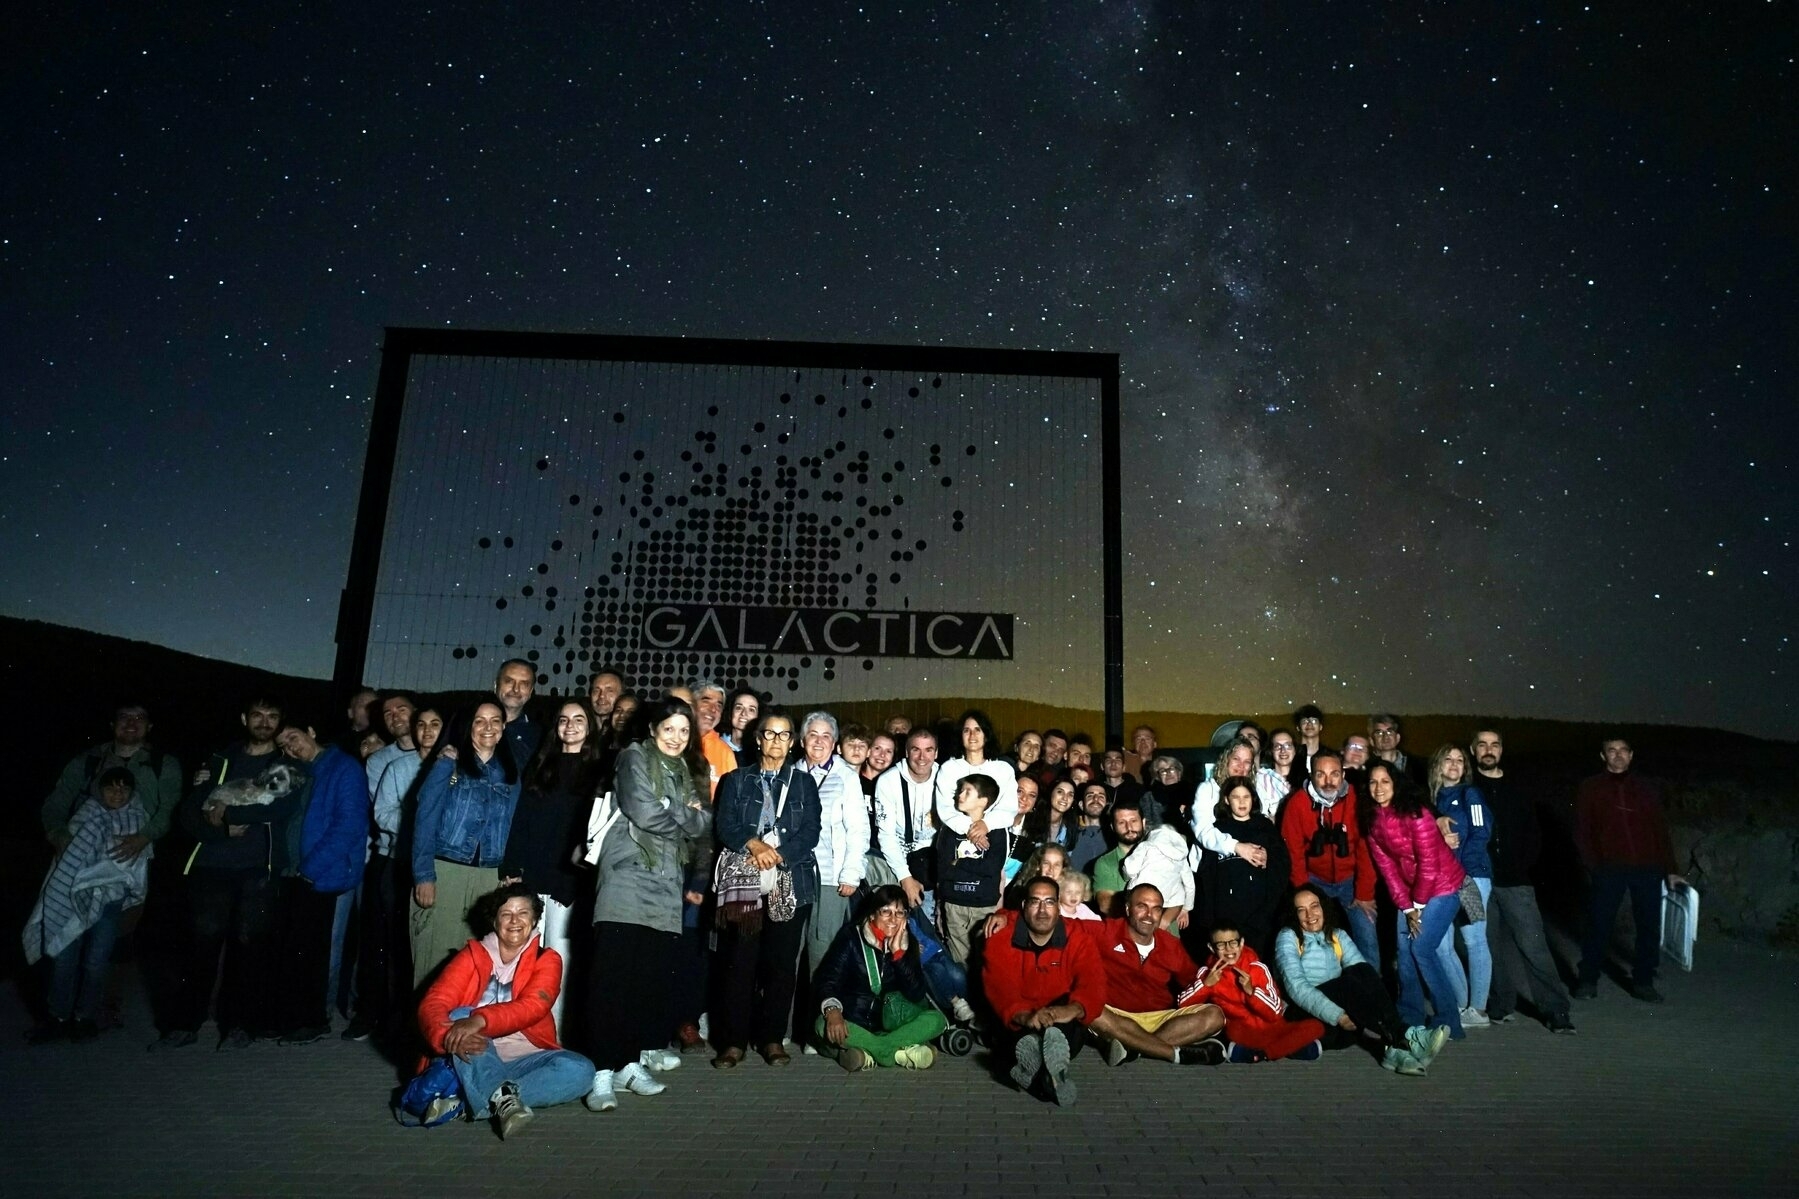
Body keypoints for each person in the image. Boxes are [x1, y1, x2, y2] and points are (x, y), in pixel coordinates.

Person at [584, 697, 712, 1108]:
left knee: (646, 978)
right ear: (654, 728)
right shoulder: (633, 756)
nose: (676, 737)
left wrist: (673, 810)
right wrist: (680, 813)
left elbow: (703, 823)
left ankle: (627, 1063)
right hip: (627, 875)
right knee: (613, 977)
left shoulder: (686, 771)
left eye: (684, 730)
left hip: (665, 882)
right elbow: (642, 811)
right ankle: (600, 1073)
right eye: (669, 728)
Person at [158, 696, 296, 1050]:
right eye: (257, 714)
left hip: (258, 868)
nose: (264, 721)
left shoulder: (286, 763)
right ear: (243, 717)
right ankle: (184, 1023)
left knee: (249, 947)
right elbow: (189, 812)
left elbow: (282, 808)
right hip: (211, 865)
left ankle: (239, 1025)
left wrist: (230, 816)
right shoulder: (220, 759)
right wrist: (218, 830)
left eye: (272, 715)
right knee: (200, 943)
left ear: (280, 722)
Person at [417, 885, 596, 1139]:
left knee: (581, 1070)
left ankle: (469, 1103)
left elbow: (534, 1006)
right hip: (476, 1058)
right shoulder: (471, 955)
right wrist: (446, 1036)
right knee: (459, 1017)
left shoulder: (546, 959)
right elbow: (433, 1003)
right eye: (506, 914)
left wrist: (480, 1019)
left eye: (523, 913)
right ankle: (499, 1099)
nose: (514, 921)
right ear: (494, 920)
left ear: (534, 920)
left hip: (525, 1059)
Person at [710, 709, 820, 1069]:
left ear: (792, 742)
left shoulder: (804, 784)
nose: (775, 741)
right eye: (768, 734)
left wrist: (779, 855)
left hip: (791, 883)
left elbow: (810, 832)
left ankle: (772, 1038)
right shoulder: (735, 780)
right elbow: (725, 825)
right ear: (758, 740)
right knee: (739, 964)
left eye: (783, 735)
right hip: (744, 882)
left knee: (780, 965)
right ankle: (732, 1042)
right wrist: (754, 846)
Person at [24, 767, 152, 1043]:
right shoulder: (85, 815)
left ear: (131, 792)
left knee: (96, 960)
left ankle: (85, 1017)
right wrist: (83, 877)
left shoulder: (139, 820)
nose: (117, 794)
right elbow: (67, 860)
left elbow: (137, 863)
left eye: (123, 789)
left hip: (111, 898)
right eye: (111, 788)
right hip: (71, 896)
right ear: (99, 790)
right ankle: (57, 1017)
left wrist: (111, 874)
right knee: (64, 959)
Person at [501, 699, 603, 1030]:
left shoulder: (600, 771)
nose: (570, 726)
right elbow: (523, 820)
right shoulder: (541, 764)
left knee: (559, 959)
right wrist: (512, 870)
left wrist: (576, 878)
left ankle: (554, 1035)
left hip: (571, 881)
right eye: (563, 720)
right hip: (533, 875)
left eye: (578, 720)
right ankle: (520, 1033)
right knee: (524, 959)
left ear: (589, 726)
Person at [270, 724, 372, 1045]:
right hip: (297, 873)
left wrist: (311, 868)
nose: (291, 746)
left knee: (324, 949)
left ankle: (317, 1018)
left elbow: (350, 825)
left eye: (294, 736)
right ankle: (296, 1015)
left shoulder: (344, 768)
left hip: (325, 873)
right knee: (301, 948)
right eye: (284, 744)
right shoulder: (299, 771)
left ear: (312, 731)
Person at [1273, 885, 1442, 1074]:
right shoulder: (1288, 937)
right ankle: (1406, 1035)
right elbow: (1297, 988)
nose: (1309, 914)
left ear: (1323, 908)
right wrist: (1338, 1015)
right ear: (1293, 915)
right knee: (1345, 985)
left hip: (1340, 1021)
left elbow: (1365, 976)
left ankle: (1397, 1049)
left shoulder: (1337, 935)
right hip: (1303, 1015)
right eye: (1301, 910)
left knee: (1363, 969)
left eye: (1314, 906)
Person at [1470, 729, 1575, 1032]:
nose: (1488, 750)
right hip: (1479, 881)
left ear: (1501, 750)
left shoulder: (1517, 787)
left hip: (1516, 882)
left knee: (1534, 947)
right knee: (1486, 948)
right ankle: (1501, 1003)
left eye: (1494, 745)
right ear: (1473, 750)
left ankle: (1555, 1009)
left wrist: (1523, 864)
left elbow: (1534, 831)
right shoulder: (1468, 787)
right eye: (1482, 745)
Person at [411, 702, 522, 986]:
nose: (488, 727)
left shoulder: (512, 775)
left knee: (477, 974)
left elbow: (514, 825)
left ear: (503, 727)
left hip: (489, 880)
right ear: (468, 727)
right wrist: (424, 874)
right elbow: (425, 818)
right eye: (479, 721)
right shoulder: (449, 762)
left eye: (495, 721)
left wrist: (509, 872)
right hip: (445, 873)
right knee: (434, 970)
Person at [349, 703, 442, 1043]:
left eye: (435, 724)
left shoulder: (456, 768)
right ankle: (383, 1017)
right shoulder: (399, 767)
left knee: (425, 944)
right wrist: (423, 829)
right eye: (422, 725)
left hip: (439, 866)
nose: (428, 731)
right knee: (389, 941)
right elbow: (384, 813)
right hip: (396, 862)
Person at [1574, 737, 1687, 1003]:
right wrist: (1593, 866)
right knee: (1599, 926)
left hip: (1647, 868)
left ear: (1632, 755)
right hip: (1609, 869)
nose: (1618, 755)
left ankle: (1643, 982)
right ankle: (1588, 980)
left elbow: (1660, 830)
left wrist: (1670, 869)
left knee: (1648, 927)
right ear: (1603, 756)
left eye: (1623, 751)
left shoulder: (1645, 788)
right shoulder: (1590, 787)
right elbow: (1582, 831)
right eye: (1611, 751)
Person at [1363, 761, 1467, 1041]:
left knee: (1421, 948)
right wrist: (1407, 907)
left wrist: (1417, 908)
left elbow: (1430, 864)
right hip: (1410, 894)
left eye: (1385, 781)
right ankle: (1410, 1016)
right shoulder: (1372, 819)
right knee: (1404, 952)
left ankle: (1449, 1022)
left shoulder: (1416, 813)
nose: (1379, 788)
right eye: (1373, 782)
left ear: (1396, 784)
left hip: (1443, 887)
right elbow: (1387, 869)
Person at [982, 876, 1107, 1105]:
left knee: (1065, 1028)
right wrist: (1026, 1016)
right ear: (1023, 906)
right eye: (1035, 902)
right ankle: (1050, 1081)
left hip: (1061, 1020)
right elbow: (1000, 990)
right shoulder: (1000, 939)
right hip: (1020, 1020)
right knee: (1020, 1039)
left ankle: (1033, 1074)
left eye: (1049, 902)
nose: (1042, 910)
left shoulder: (1078, 939)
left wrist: (1073, 1009)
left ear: (1059, 907)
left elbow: (1094, 983)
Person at [1087, 885, 1227, 1066]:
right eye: (1142, 906)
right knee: (1085, 1006)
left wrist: (1214, 984)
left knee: (1214, 1015)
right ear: (1128, 909)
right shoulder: (1106, 931)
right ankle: (1174, 1053)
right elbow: (1061, 926)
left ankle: (1132, 1049)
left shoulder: (1170, 945)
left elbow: (1192, 982)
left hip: (1158, 1018)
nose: (1149, 915)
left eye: (1156, 909)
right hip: (1115, 1016)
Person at [814, 886, 947, 1071]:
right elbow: (827, 979)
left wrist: (898, 955)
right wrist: (832, 1011)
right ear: (872, 915)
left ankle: (876, 1049)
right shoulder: (852, 937)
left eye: (899, 913)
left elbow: (916, 993)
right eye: (886, 912)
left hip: (889, 1021)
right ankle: (898, 1052)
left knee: (937, 1020)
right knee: (822, 1024)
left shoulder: (908, 943)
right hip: (853, 1021)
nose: (893, 919)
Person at [42, 704, 182, 862]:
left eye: (139, 718)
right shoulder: (87, 760)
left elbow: (170, 807)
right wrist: (59, 835)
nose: (131, 723)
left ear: (149, 726)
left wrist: (144, 837)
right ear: (112, 725)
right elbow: (56, 802)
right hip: (82, 851)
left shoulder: (165, 764)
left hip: (144, 855)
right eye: (124, 717)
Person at [1278, 750, 1380, 966]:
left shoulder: (1357, 799)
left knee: (1367, 936)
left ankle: (1373, 989)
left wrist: (1364, 893)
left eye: (1334, 774)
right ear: (1311, 775)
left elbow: (1366, 850)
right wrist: (1304, 892)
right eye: (1320, 774)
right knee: (1312, 938)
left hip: (1351, 880)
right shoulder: (1297, 804)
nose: (1328, 781)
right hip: (1314, 879)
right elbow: (1293, 854)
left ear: (1343, 774)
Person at [798, 711, 870, 978]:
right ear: (802, 739)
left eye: (826, 736)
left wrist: (851, 872)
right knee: (788, 958)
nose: (819, 741)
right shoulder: (792, 772)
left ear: (835, 743)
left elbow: (858, 829)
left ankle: (823, 1017)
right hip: (794, 878)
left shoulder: (846, 777)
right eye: (813, 735)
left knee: (822, 956)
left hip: (831, 879)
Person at [1189, 922, 1326, 1063]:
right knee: (1233, 1031)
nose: (1229, 949)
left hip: (1274, 1028)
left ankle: (1261, 1054)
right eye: (1221, 945)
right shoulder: (1207, 973)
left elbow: (1275, 1013)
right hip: (1243, 1032)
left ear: (1241, 943)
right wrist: (1205, 985)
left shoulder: (1257, 968)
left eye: (1233, 943)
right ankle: (1287, 1049)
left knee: (1316, 1026)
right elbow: (1183, 1004)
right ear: (1211, 947)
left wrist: (1252, 992)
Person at [1431, 743, 1493, 1028]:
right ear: (1438, 765)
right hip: (1441, 882)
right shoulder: (1433, 800)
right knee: (1441, 946)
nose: (1454, 764)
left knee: (1474, 940)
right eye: (1448, 759)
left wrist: (1463, 872)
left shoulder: (1471, 794)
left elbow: (1481, 833)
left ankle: (1478, 1010)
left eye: (1459, 760)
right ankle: (1461, 1004)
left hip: (1471, 877)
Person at [1196, 776, 1291, 959]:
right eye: (1235, 797)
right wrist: (1208, 916)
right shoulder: (1217, 830)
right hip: (1226, 913)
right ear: (1226, 800)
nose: (1241, 802)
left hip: (1262, 912)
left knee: (1259, 963)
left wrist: (1271, 908)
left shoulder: (1265, 828)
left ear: (1253, 799)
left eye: (1246, 797)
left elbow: (1282, 868)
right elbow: (1207, 875)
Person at [934, 773, 1011, 964]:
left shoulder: (998, 830)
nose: (960, 795)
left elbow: (992, 868)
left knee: (985, 959)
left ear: (983, 801)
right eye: (961, 790)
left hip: (983, 906)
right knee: (958, 959)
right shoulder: (950, 828)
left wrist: (959, 862)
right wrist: (973, 868)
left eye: (968, 791)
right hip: (954, 903)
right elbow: (942, 869)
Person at [933, 709, 1020, 855]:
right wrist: (971, 829)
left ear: (986, 735)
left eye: (977, 730)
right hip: (955, 836)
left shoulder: (1003, 770)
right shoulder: (949, 768)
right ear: (960, 736)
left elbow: (1008, 807)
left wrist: (986, 824)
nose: (972, 735)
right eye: (966, 730)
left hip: (992, 838)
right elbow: (945, 808)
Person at [873, 727, 939, 914]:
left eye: (928, 750)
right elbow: (886, 835)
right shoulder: (888, 781)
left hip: (937, 867)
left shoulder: (945, 778)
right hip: (899, 865)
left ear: (936, 753)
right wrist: (905, 877)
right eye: (916, 749)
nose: (922, 757)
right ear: (906, 752)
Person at [1192, 739, 1290, 862]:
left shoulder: (1258, 788)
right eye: (1236, 759)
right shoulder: (1207, 789)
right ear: (1226, 759)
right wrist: (1237, 847)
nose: (1241, 766)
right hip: (1213, 863)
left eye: (1247, 762)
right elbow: (1203, 831)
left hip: (1252, 860)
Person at [691, 681, 736, 798]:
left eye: (719, 705)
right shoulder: (675, 742)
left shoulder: (724, 752)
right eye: (706, 701)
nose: (713, 709)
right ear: (691, 705)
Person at [494, 659, 542, 765]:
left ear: (530, 692)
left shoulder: (539, 735)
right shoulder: (469, 723)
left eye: (524, 684)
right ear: (496, 686)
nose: (516, 689)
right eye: (509, 681)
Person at [1369, 714, 1427, 787]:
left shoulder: (1419, 767)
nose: (1385, 736)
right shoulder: (1365, 769)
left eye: (1390, 732)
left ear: (1397, 738)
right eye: (1379, 733)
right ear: (1371, 741)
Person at [1023, 776, 1079, 852]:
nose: (1065, 798)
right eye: (1060, 792)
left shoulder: (1069, 829)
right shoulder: (1031, 819)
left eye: (1070, 795)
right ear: (1050, 793)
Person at [1068, 782, 1112, 875]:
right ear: (1081, 805)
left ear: (1107, 805)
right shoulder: (1069, 834)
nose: (1096, 799)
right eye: (1090, 796)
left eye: (1101, 797)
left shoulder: (1114, 836)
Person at [1098, 748, 1146, 813]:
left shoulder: (1138, 790)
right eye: (1109, 760)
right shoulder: (1096, 790)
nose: (1113, 763)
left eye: (1117, 760)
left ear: (1123, 767)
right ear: (1102, 767)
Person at [720, 687, 760, 757]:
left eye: (751, 710)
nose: (744, 713)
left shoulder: (762, 752)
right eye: (739, 708)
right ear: (730, 712)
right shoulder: (715, 744)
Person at [1293, 705, 1328, 771]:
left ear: (1320, 726)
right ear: (1298, 727)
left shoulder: (1329, 755)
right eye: (1304, 721)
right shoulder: (1291, 754)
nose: (1309, 724)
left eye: (1314, 721)